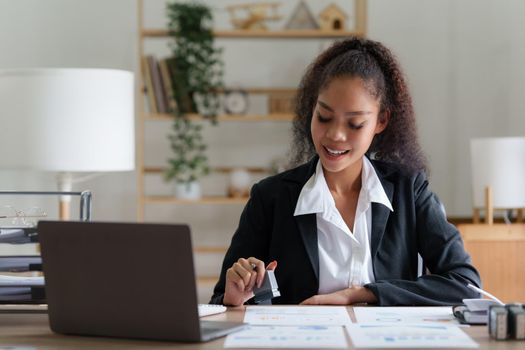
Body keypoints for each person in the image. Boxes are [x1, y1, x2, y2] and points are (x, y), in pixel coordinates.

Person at [210, 37, 481, 306]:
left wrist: (362, 293)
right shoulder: (270, 198)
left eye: (355, 124)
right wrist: (235, 298)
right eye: (324, 117)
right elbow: (222, 300)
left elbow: (465, 284)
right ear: (311, 109)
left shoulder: (409, 190)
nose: (335, 135)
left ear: (381, 121)